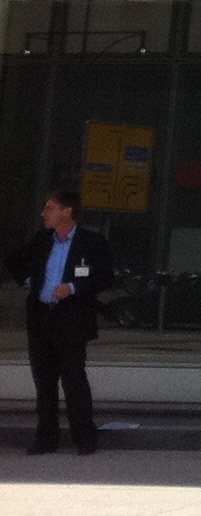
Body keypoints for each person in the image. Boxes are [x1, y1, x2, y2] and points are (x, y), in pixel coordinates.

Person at [10, 188, 111, 455]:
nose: (44, 214)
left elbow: (105, 276)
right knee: (44, 382)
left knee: (73, 379)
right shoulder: (42, 239)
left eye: (50, 208)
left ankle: (84, 437)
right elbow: (14, 261)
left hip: (72, 320)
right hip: (42, 318)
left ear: (67, 211)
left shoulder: (91, 242)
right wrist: (32, 280)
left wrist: (73, 287)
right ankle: (46, 438)